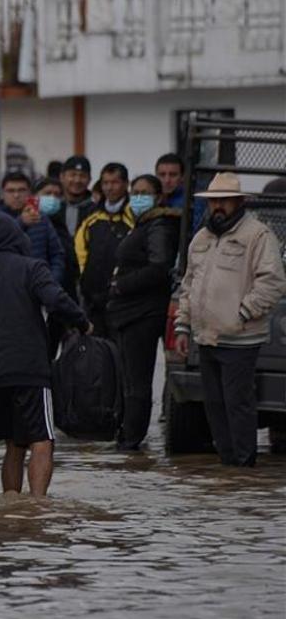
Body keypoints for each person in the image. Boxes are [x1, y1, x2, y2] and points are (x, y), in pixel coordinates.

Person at [0, 210, 90, 497]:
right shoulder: (32, 268)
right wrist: (82, 322)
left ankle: (11, 506)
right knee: (42, 441)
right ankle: (37, 508)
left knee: (13, 446)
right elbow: (56, 299)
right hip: (30, 371)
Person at [173, 173, 286, 467]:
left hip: (241, 339)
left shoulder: (257, 235)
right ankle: (228, 467)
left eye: (224, 200)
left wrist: (243, 313)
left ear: (239, 202)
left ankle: (243, 466)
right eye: (213, 201)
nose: (218, 206)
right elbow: (189, 285)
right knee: (214, 405)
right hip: (206, 337)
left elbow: (272, 282)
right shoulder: (201, 238)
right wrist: (183, 327)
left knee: (238, 404)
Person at [106, 174, 179, 452]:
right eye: (134, 192)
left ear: (158, 197)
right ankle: (128, 434)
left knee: (137, 382)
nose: (137, 197)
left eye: (144, 192)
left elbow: (159, 266)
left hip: (142, 314)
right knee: (130, 380)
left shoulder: (158, 226)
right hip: (130, 313)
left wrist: (122, 285)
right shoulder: (145, 224)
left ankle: (131, 439)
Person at [75, 162, 134, 340]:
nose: (109, 187)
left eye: (114, 182)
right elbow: (80, 249)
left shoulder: (133, 215)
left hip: (122, 298)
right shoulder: (92, 216)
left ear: (125, 184)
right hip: (93, 300)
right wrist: (85, 278)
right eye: (105, 182)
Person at [0, 172, 66, 287]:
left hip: (39, 286)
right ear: (3, 194)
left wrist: (52, 281)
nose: (16, 195)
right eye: (11, 191)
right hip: (6, 288)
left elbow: (57, 254)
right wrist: (20, 223)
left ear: (29, 193)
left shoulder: (41, 218)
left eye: (21, 190)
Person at [35, 177, 81, 359]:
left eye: (57, 194)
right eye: (47, 194)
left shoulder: (60, 226)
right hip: (41, 302)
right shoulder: (30, 224)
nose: (53, 198)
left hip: (61, 303)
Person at [60, 155, 95, 238]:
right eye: (72, 175)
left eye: (82, 176)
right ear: (62, 177)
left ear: (89, 179)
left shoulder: (95, 210)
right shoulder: (53, 208)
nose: (77, 180)